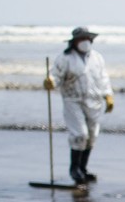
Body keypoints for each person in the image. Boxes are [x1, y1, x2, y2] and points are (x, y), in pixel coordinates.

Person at [43, 26, 114, 185]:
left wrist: (108, 96)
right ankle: (74, 168)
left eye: (86, 39)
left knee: (91, 136)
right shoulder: (65, 58)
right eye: (81, 39)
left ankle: (83, 168)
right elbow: (55, 76)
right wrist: (51, 82)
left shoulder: (97, 58)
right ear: (74, 42)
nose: (84, 42)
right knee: (79, 134)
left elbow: (103, 79)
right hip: (72, 100)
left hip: (94, 101)